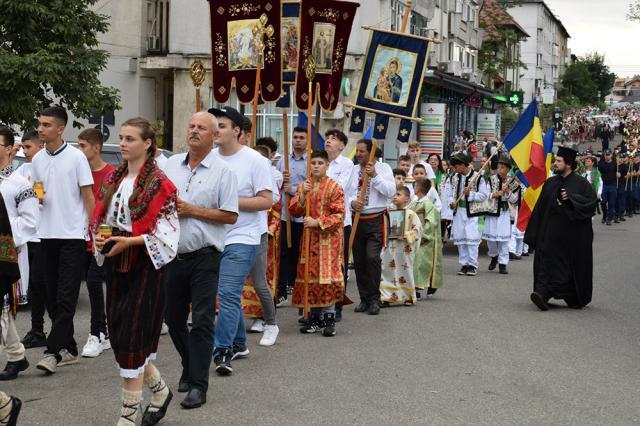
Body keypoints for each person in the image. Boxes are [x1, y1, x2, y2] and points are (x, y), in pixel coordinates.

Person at [91, 117, 179, 425]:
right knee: (118, 334)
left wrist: (129, 241)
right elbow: (102, 216)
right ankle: (160, 390)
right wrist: (102, 237)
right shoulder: (114, 178)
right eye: (122, 137)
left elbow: (168, 233)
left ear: (148, 144)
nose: (124, 143)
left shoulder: (161, 184)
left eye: (130, 138)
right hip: (117, 262)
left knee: (132, 336)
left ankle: (127, 415)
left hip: (144, 266)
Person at [163, 112, 239, 409]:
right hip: (172, 254)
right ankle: (190, 364)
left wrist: (192, 210)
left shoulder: (223, 172)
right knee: (173, 319)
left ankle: (198, 386)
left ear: (213, 136)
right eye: (191, 126)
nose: (194, 131)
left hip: (206, 256)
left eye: (201, 128)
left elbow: (230, 215)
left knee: (203, 321)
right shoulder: (171, 165)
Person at [209, 106, 273, 375]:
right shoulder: (208, 158)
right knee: (224, 294)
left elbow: (267, 200)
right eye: (213, 125)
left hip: (245, 235)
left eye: (221, 126)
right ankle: (239, 342)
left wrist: (230, 202)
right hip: (214, 236)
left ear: (236, 130)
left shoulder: (255, 161)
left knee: (227, 293)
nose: (215, 131)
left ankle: (222, 350)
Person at [32, 106, 95, 374]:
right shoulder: (36, 159)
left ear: (60, 129)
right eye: (40, 124)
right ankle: (68, 346)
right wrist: (39, 194)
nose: (40, 129)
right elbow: (37, 185)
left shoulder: (76, 158)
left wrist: (94, 231)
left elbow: (88, 195)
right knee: (49, 295)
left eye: (46, 125)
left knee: (66, 297)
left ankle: (51, 352)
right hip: (45, 234)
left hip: (72, 236)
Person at [525, 147, 596, 311]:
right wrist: (534, 234)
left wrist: (570, 200)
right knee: (545, 263)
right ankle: (542, 294)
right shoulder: (550, 183)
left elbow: (589, 205)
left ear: (569, 164)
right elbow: (540, 209)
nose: (555, 163)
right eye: (555, 160)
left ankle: (568, 295)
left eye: (559, 161)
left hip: (570, 239)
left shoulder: (581, 184)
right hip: (548, 235)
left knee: (566, 272)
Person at [289, 150, 345, 336]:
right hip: (309, 240)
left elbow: (339, 216)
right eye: (313, 163)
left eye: (320, 163)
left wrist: (318, 222)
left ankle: (329, 319)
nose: (316, 166)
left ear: (327, 165)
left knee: (326, 278)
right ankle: (313, 317)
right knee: (309, 277)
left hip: (328, 241)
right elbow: (295, 211)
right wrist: (303, 196)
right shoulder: (303, 186)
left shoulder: (335, 187)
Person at [0, 127, 39, 382]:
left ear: (8, 148)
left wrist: (6, 236)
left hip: (6, 252)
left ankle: (16, 356)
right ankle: (16, 355)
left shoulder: (19, 183)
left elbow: (30, 221)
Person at [77, 128, 114, 358]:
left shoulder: (111, 174)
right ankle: (105, 331)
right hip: (80, 236)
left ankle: (98, 332)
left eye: (82, 146)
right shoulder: (78, 172)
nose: (79, 151)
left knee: (94, 282)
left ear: (96, 147)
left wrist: (104, 234)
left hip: (103, 236)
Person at [350, 139, 396, 315]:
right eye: (358, 151)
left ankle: (375, 299)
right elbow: (345, 193)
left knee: (372, 258)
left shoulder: (384, 169)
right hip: (357, 219)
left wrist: (375, 176)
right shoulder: (353, 170)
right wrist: (352, 203)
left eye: (362, 151)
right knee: (359, 261)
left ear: (372, 153)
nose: (358, 154)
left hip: (376, 219)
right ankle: (364, 299)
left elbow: (390, 192)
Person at [243, 145, 282, 337]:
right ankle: (233, 337)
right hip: (232, 232)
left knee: (259, 282)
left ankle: (270, 322)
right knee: (228, 286)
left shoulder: (266, 172)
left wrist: (251, 199)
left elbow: (273, 198)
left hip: (257, 232)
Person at [14, 132, 48, 349]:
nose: (24, 151)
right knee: (33, 285)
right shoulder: (22, 169)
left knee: (43, 284)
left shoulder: (45, 165)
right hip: (28, 236)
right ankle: (37, 329)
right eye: (22, 148)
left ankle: (57, 333)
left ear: (40, 146)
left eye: (28, 147)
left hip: (45, 233)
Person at [324, 129, 357, 322]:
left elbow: (338, 188)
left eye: (333, 139)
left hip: (339, 221)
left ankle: (337, 304)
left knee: (339, 263)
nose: (328, 141)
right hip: (318, 221)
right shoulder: (320, 160)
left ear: (342, 146)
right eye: (327, 138)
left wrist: (320, 183)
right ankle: (318, 305)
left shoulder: (346, 165)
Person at [276, 127, 308, 306]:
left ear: (307, 140)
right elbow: (275, 183)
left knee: (299, 253)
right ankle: (281, 291)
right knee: (283, 253)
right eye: (295, 137)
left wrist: (294, 189)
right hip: (285, 214)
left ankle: (297, 290)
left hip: (302, 215)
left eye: (301, 138)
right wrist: (281, 180)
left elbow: (311, 185)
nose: (297, 140)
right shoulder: (283, 161)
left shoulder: (310, 162)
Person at [444, 152, 489, 276]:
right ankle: (464, 264)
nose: (454, 168)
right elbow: (448, 194)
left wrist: (471, 194)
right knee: (461, 238)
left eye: (456, 166)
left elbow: (484, 195)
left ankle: (472, 265)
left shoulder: (478, 177)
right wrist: (451, 202)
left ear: (463, 165)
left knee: (472, 239)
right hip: (459, 212)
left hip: (473, 213)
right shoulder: (453, 178)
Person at [380, 186, 422, 306]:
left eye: (398, 194)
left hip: (404, 250)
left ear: (406, 199)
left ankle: (408, 296)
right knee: (387, 271)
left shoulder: (411, 214)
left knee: (405, 271)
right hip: (389, 248)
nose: (395, 197)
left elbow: (418, 230)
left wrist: (406, 235)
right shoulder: (388, 213)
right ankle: (386, 296)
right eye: (394, 195)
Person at [482, 156, 519, 275]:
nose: (500, 169)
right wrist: (494, 194)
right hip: (492, 212)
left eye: (502, 167)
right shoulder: (491, 179)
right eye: (498, 167)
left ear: (508, 169)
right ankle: (494, 256)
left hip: (504, 213)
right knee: (491, 239)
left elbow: (515, 200)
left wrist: (508, 193)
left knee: (503, 239)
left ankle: (503, 264)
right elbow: (485, 194)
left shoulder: (512, 182)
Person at [410, 178, 444, 297]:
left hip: (423, 237)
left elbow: (431, 221)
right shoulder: (414, 202)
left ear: (418, 189)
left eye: (415, 186)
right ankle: (418, 285)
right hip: (414, 235)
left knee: (421, 262)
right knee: (414, 261)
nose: (414, 188)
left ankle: (418, 287)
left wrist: (425, 234)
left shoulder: (428, 204)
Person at [598, 149, 617, 225]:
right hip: (604, 185)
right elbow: (598, 174)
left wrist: (618, 174)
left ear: (611, 155)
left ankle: (609, 218)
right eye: (606, 155)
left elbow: (620, 173)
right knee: (603, 202)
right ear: (604, 155)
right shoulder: (601, 164)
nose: (607, 156)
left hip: (612, 185)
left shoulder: (615, 164)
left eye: (608, 155)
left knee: (611, 203)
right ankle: (605, 215)